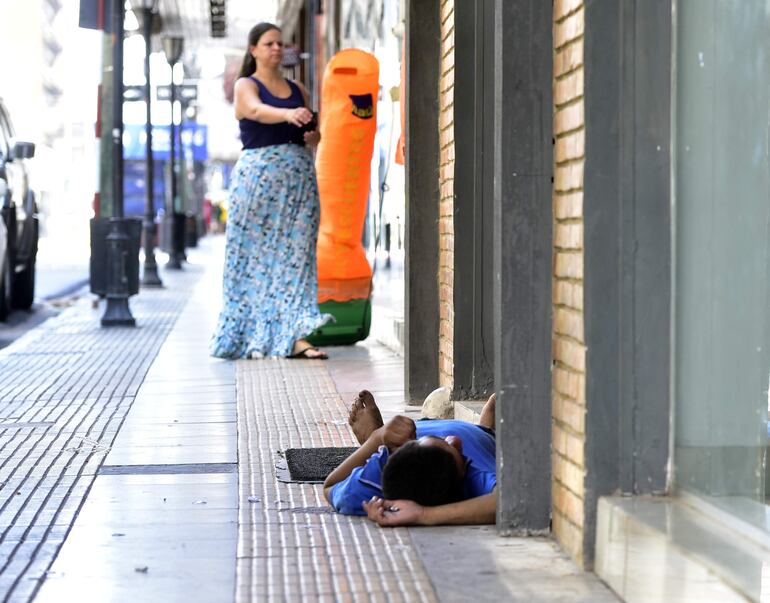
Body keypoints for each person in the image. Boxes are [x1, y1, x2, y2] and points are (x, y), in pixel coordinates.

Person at [210, 22, 330, 360]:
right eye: (268, 43)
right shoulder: (246, 85)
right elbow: (253, 110)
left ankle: (297, 335)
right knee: (253, 259)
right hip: (258, 182)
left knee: (298, 258)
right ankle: (253, 332)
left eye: (280, 43)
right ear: (254, 50)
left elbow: (314, 135)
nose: (276, 48)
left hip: (299, 180)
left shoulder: (299, 89)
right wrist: (288, 114)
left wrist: (312, 136)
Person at [323, 390, 497, 526]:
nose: (453, 440)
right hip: (478, 437)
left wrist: (377, 438)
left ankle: (380, 440)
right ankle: (486, 425)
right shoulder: (473, 477)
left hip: (416, 431)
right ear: (465, 471)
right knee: (489, 436)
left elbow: (330, 486)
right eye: (459, 453)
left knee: (402, 437)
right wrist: (423, 514)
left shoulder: (378, 478)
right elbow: (509, 501)